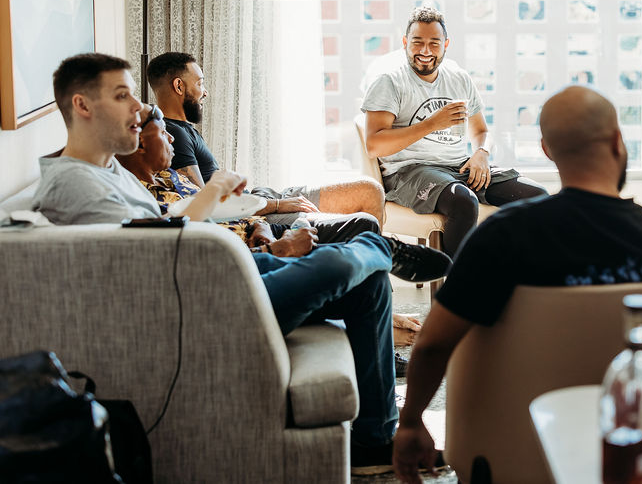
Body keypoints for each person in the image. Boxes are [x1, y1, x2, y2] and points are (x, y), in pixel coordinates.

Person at [33, 53, 450, 475]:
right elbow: (157, 256)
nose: (137, 108)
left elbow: (163, 231)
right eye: (122, 95)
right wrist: (217, 202)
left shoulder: (106, 170)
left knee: (369, 285)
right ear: (82, 106)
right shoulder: (73, 184)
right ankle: (379, 249)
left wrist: (223, 211)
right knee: (345, 266)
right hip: (204, 304)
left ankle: (372, 442)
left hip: (219, 274)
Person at [391, 85, 642, 481]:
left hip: (509, 453)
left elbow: (432, 344)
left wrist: (411, 422)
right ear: (619, 142)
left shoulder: (502, 236)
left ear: (547, 150)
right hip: (626, 456)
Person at [117, 102, 426, 363]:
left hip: (255, 230)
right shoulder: (144, 201)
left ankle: (378, 269)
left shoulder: (170, 177)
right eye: (162, 133)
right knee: (348, 264)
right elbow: (199, 248)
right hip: (248, 261)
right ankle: (381, 254)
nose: (171, 138)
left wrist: (260, 225)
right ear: (140, 141)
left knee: (362, 226)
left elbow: (221, 213)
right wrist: (277, 249)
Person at [362, 6, 547, 255]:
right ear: (405, 42)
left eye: (434, 43)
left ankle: (518, 277)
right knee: (463, 201)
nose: (425, 51)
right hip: (410, 172)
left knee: (538, 196)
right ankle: (456, 287)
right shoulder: (390, 82)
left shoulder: (458, 78)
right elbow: (374, 144)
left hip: (458, 167)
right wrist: (430, 124)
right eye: (417, 42)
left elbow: (481, 130)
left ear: (446, 44)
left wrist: (481, 153)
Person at [146, 51, 385, 227]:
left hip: (261, 197)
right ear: (179, 86)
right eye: (199, 83)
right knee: (362, 222)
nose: (205, 92)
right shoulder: (172, 134)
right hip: (259, 210)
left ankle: (378, 270)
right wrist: (278, 205)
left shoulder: (183, 129)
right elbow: (203, 201)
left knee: (370, 190)